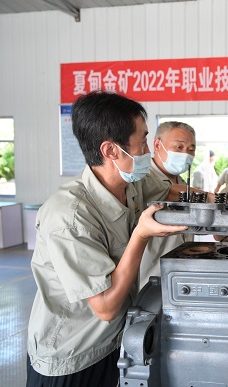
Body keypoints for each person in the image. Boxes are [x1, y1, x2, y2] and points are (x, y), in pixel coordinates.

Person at [26, 91, 189, 387]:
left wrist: (220, 202)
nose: (147, 152)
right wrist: (141, 234)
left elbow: (170, 191)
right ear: (111, 150)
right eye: (142, 142)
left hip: (112, 343)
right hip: (71, 355)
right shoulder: (69, 216)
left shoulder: (132, 183)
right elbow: (105, 307)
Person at [138, 121, 196, 290]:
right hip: (149, 280)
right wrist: (209, 197)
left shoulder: (183, 182)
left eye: (191, 149)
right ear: (157, 145)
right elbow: (169, 192)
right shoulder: (142, 179)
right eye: (179, 147)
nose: (186, 154)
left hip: (180, 278)